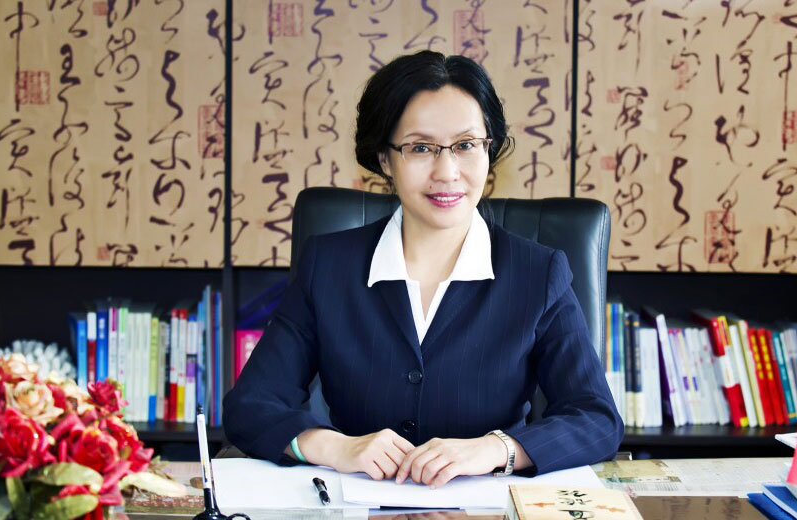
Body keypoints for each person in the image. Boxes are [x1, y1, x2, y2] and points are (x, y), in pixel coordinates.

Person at [224, 50, 622, 489]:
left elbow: (596, 419)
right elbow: (251, 406)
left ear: (489, 149)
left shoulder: (538, 273)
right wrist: (335, 447)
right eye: (420, 148)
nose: (447, 172)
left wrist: (495, 449)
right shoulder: (329, 267)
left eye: (466, 145)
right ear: (384, 158)